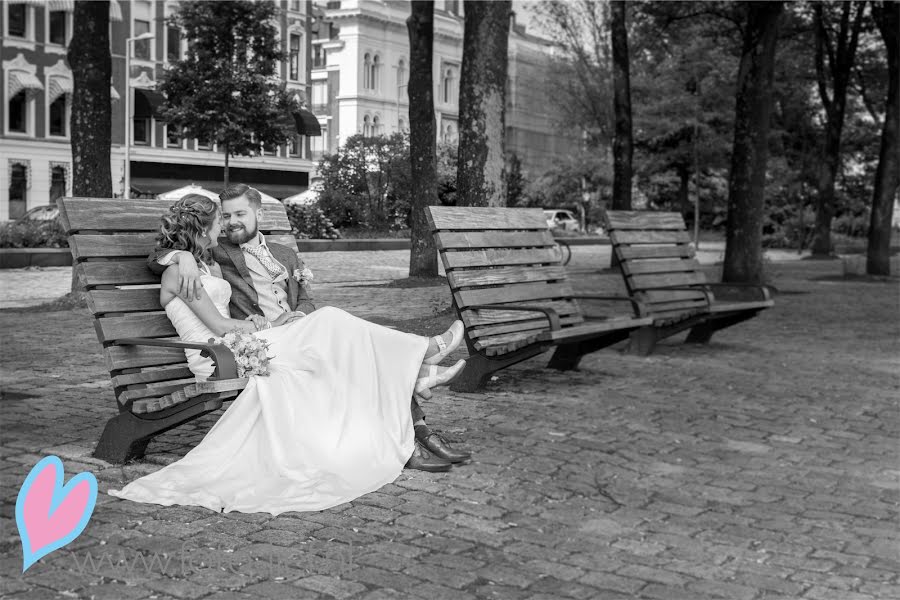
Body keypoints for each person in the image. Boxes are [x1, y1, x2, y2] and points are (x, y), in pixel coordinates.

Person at [109, 194, 468, 515]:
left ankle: (416, 370)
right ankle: (422, 354)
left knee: (332, 338)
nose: (224, 227)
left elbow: (226, 320)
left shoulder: (204, 267)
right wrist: (261, 325)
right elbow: (218, 327)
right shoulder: (179, 271)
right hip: (217, 355)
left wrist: (262, 320)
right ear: (204, 229)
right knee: (329, 325)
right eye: (219, 222)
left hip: (238, 346)